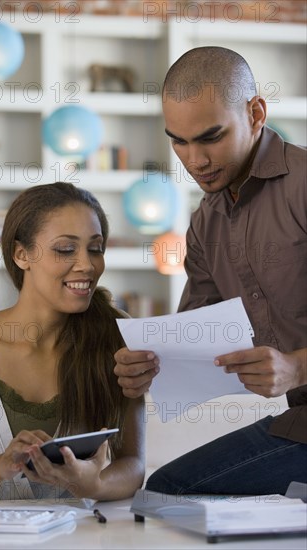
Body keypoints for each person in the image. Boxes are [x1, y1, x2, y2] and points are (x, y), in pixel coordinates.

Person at [114, 46, 307, 496]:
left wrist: (297, 368)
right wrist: (147, 365)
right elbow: (195, 342)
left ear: (256, 112)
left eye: (210, 137)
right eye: (178, 141)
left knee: (172, 491)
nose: (194, 160)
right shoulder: (205, 224)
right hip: (300, 423)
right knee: (166, 491)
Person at [0, 181, 145, 501]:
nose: (87, 264)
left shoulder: (114, 339)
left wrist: (96, 486)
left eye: (95, 248)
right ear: (21, 254)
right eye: (65, 249)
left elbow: (132, 463)